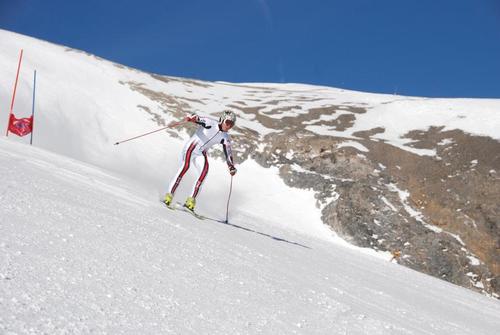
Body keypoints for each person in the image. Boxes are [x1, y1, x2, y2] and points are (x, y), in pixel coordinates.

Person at [164, 110, 237, 211]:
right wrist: (192, 118)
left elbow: (228, 152)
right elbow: (197, 118)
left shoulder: (225, 137)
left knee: (204, 172)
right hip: (191, 148)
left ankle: (190, 201)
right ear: (222, 120)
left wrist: (231, 166)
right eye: (228, 123)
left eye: (231, 124)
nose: (229, 126)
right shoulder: (210, 123)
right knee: (185, 167)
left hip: (201, 153)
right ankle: (169, 195)